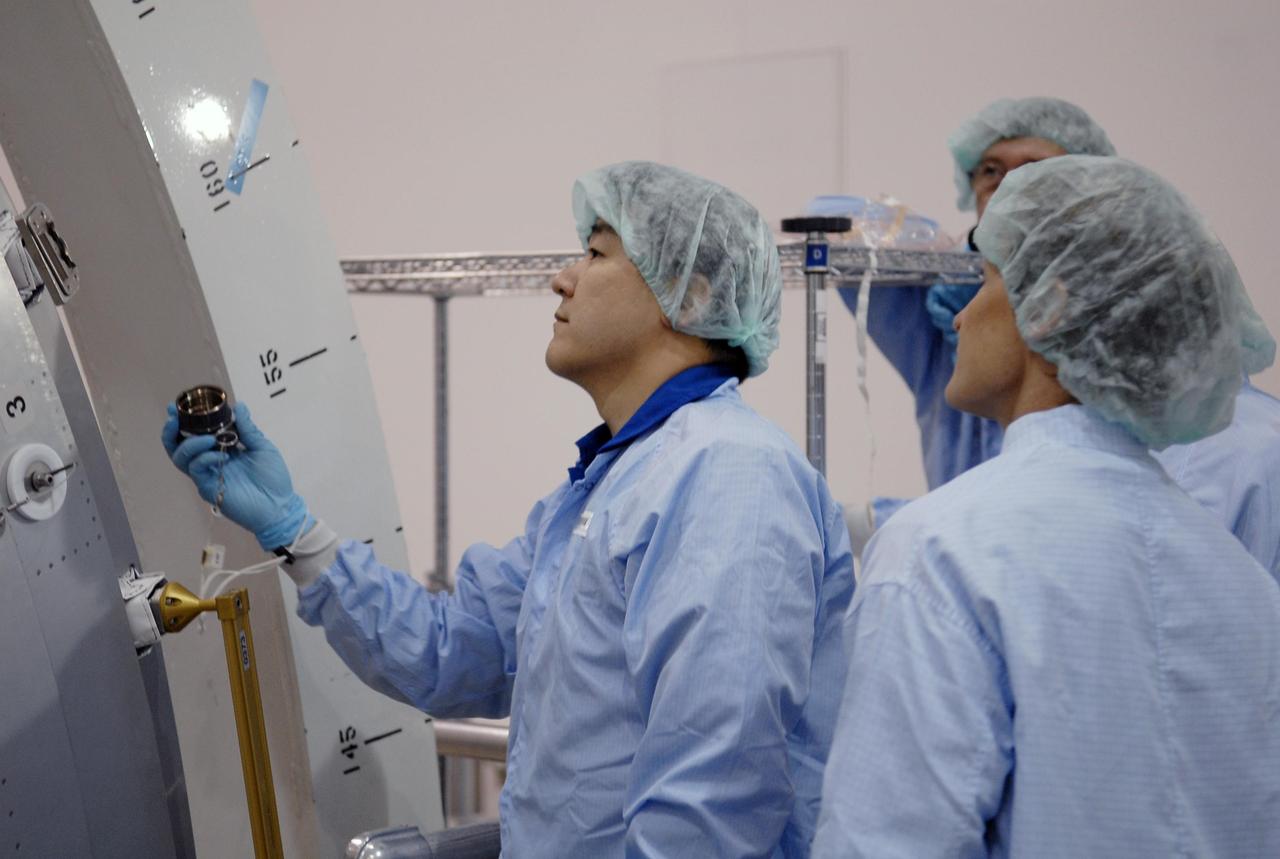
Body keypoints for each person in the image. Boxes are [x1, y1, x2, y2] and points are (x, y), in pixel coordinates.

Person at [164, 161, 855, 858]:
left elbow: (713, 798)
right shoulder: (605, 483)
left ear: (691, 293)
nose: (562, 278)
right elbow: (448, 650)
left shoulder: (728, 473)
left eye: (596, 253)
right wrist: (294, 529)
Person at [812, 156, 1280, 857]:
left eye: (988, 279)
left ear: (1052, 306)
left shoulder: (942, 552)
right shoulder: (1243, 582)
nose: (962, 312)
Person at [842, 97, 1280, 580]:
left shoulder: (1224, 453)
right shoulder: (1162, 473)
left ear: (1052, 306)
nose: (1008, 184)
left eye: (1034, 168)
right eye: (990, 169)